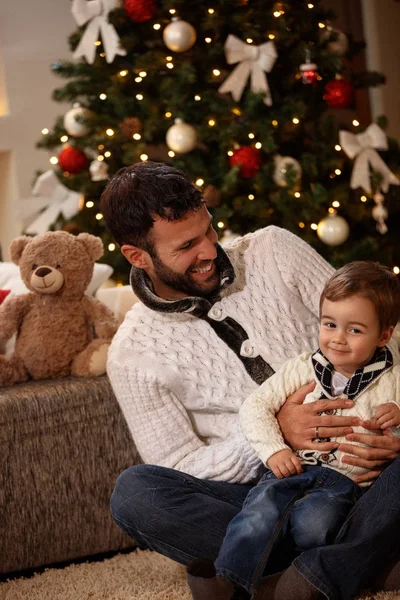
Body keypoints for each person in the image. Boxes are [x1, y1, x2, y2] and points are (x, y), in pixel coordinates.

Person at [100, 161, 400, 600]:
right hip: (263, 497)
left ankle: (305, 573)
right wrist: (272, 434)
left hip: (369, 467)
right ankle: (367, 556)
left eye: (208, 230)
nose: (209, 250)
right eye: (187, 246)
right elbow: (178, 465)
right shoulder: (131, 355)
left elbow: (378, 327)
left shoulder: (274, 250)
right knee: (135, 494)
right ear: (136, 256)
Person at [188, 261, 400, 599]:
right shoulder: (303, 368)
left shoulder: (394, 378)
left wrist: (397, 421)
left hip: (344, 483)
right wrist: (275, 449)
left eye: (355, 330)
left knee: (314, 525)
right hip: (291, 468)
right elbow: (256, 406)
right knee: (259, 511)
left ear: (385, 335)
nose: (338, 339)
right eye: (330, 324)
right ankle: (229, 580)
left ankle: (303, 571)